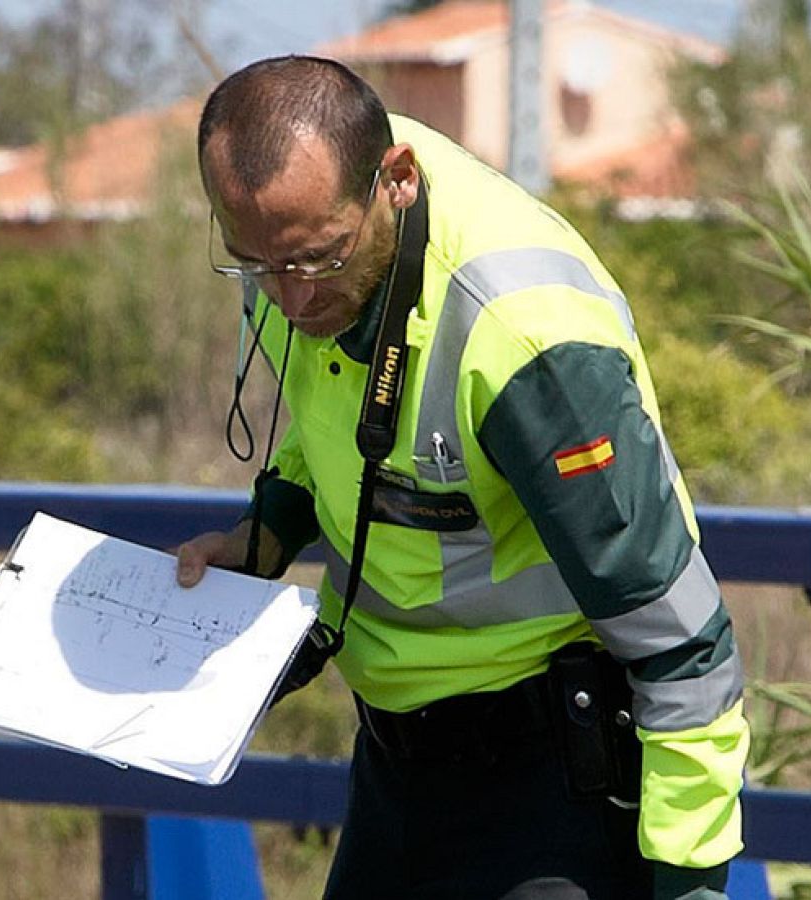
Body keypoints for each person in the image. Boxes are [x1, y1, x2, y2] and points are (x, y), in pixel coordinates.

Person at [175, 56, 748, 900]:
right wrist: (268, 534)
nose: (290, 302)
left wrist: (692, 887)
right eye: (253, 264)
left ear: (395, 181)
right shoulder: (295, 240)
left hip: (554, 784)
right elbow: (335, 423)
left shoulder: (526, 343)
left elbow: (685, 645)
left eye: (314, 262)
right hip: (395, 768)